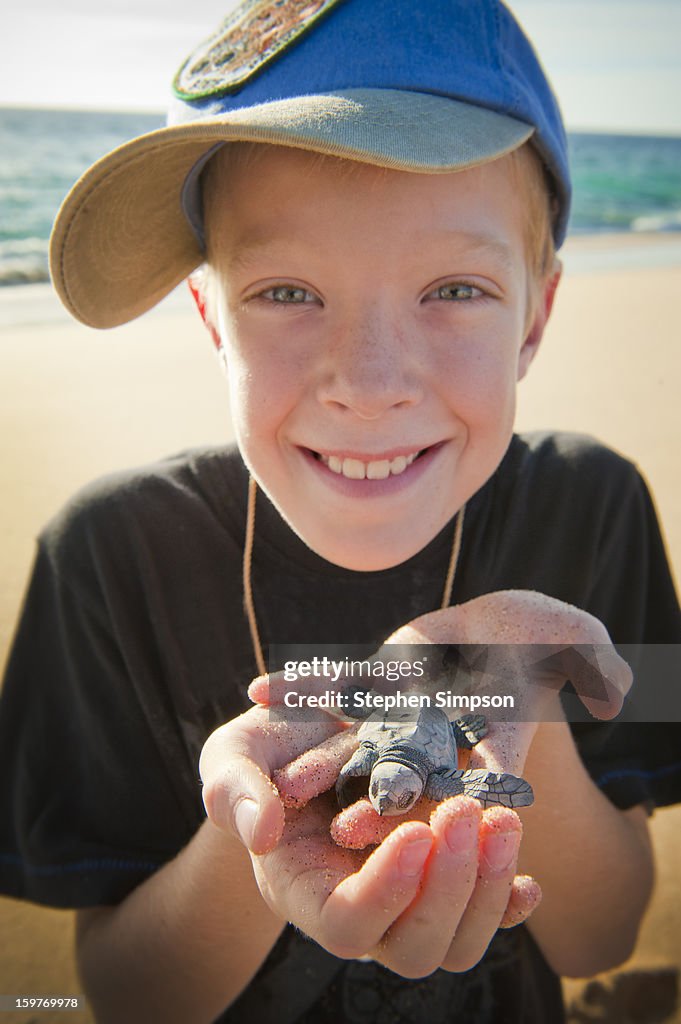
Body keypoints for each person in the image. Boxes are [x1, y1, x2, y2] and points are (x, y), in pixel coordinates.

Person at [1, 1, 680, 1022]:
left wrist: (525, 697)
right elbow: (125, 994)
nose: (367, 384)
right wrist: (256, 831)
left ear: (534, 319)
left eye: (453, 287)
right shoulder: (102, 555)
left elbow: (604, 934)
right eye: (287, 292)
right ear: (210, 317)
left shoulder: (599, 507)